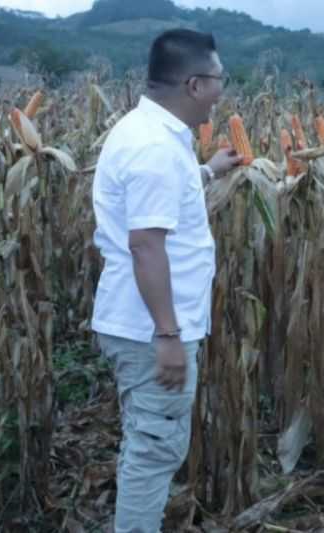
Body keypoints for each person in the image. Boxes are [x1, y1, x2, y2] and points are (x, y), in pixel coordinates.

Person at [91, 29, 242, 533]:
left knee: (148, 440)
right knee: (155, 450)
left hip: (140, 324)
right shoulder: (155, 146)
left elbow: (157, 204)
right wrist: (169, 335)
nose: (224, 91)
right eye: (220, 79)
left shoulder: (149, 134)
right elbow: (145, 244)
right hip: (148, 330)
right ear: (195, 84)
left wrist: (205, 171)